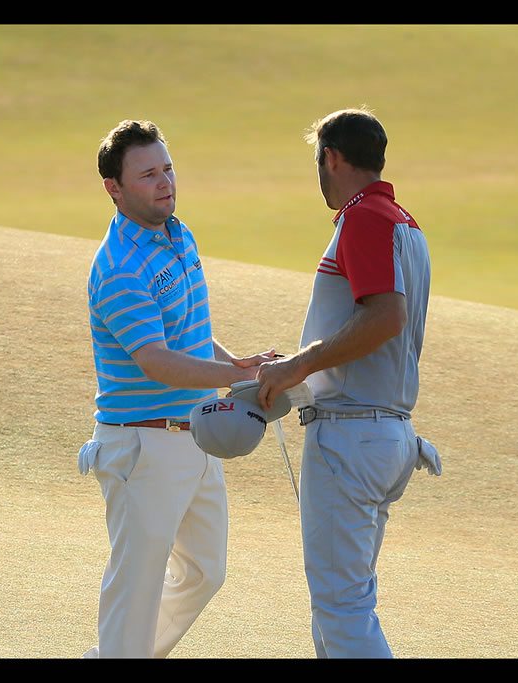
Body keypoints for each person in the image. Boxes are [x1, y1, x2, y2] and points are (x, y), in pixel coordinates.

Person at [79, 119, 277, 658]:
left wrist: (235, 362)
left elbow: (186, 332)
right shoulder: (118, 266)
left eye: (167, 168)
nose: (164, 182)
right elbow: (157, 361)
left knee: (205, 571)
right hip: (142, 445)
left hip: (196, 435)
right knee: (136, 589)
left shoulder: (179, 234)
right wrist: (241, 378)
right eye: (147, 174)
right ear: (114, 188)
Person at [255, 107, 437, 658]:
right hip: (386, 433)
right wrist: (304, 362)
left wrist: (298, 366)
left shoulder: (363, 218)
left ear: (331, 158)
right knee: (340, 605)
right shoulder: (406, 224)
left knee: (342, 609)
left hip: (351, 435)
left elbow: (384, 317)